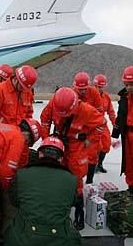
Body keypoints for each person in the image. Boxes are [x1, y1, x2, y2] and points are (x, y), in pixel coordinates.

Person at [4, 136, 106, 246]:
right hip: (58, 245)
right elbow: (71, 203)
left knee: (13, 227)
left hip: (25, 242)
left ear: (40, 155)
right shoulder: (71, 179)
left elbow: (15, 201)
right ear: (60, 158)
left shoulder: (22, 174)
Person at [40, 87, 105, 230]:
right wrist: (48, 141)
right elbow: (44, 120)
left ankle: (79, 212)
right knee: (55, 174)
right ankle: (57, 208)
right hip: (58, 143)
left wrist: (90, 140)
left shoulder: (86, 110)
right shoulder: (54, 103)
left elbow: (101, 124)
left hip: (76, 146)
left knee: (76, 178)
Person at [72, 72, 104, 184]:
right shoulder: (72, 94)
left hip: (91, 131)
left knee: (92, 156)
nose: (83, 91)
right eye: (80, 89)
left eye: (85, 89)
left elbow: (100, 116)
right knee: (74, 158)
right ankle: (75, 183)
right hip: (77, 131)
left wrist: (91, 139)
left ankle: (89, 182)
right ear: (75, 86)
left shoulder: (94, 93)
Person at [93, 74, 116, 173]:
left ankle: (100, 164)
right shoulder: (90, 96)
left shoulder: (106, 97)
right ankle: (93, 165)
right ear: (95, 86)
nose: (100, 89)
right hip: (92, 124)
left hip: (102, 123)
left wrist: (115, 124)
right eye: (98, 87)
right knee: (95, 146)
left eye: (102, 87)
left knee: (106, 145)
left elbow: (111, 112)